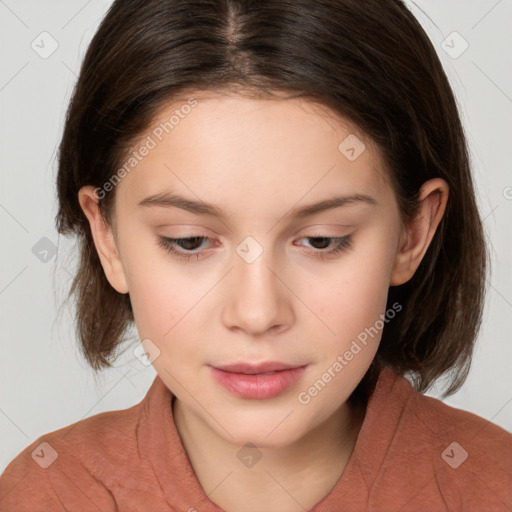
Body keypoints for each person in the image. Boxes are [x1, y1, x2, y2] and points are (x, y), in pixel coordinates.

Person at [1, 0, 511, 510]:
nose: (257, 313)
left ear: (412, 233)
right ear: (107, 237)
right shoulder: (48, 494)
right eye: (189, 241)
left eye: (321, 240)